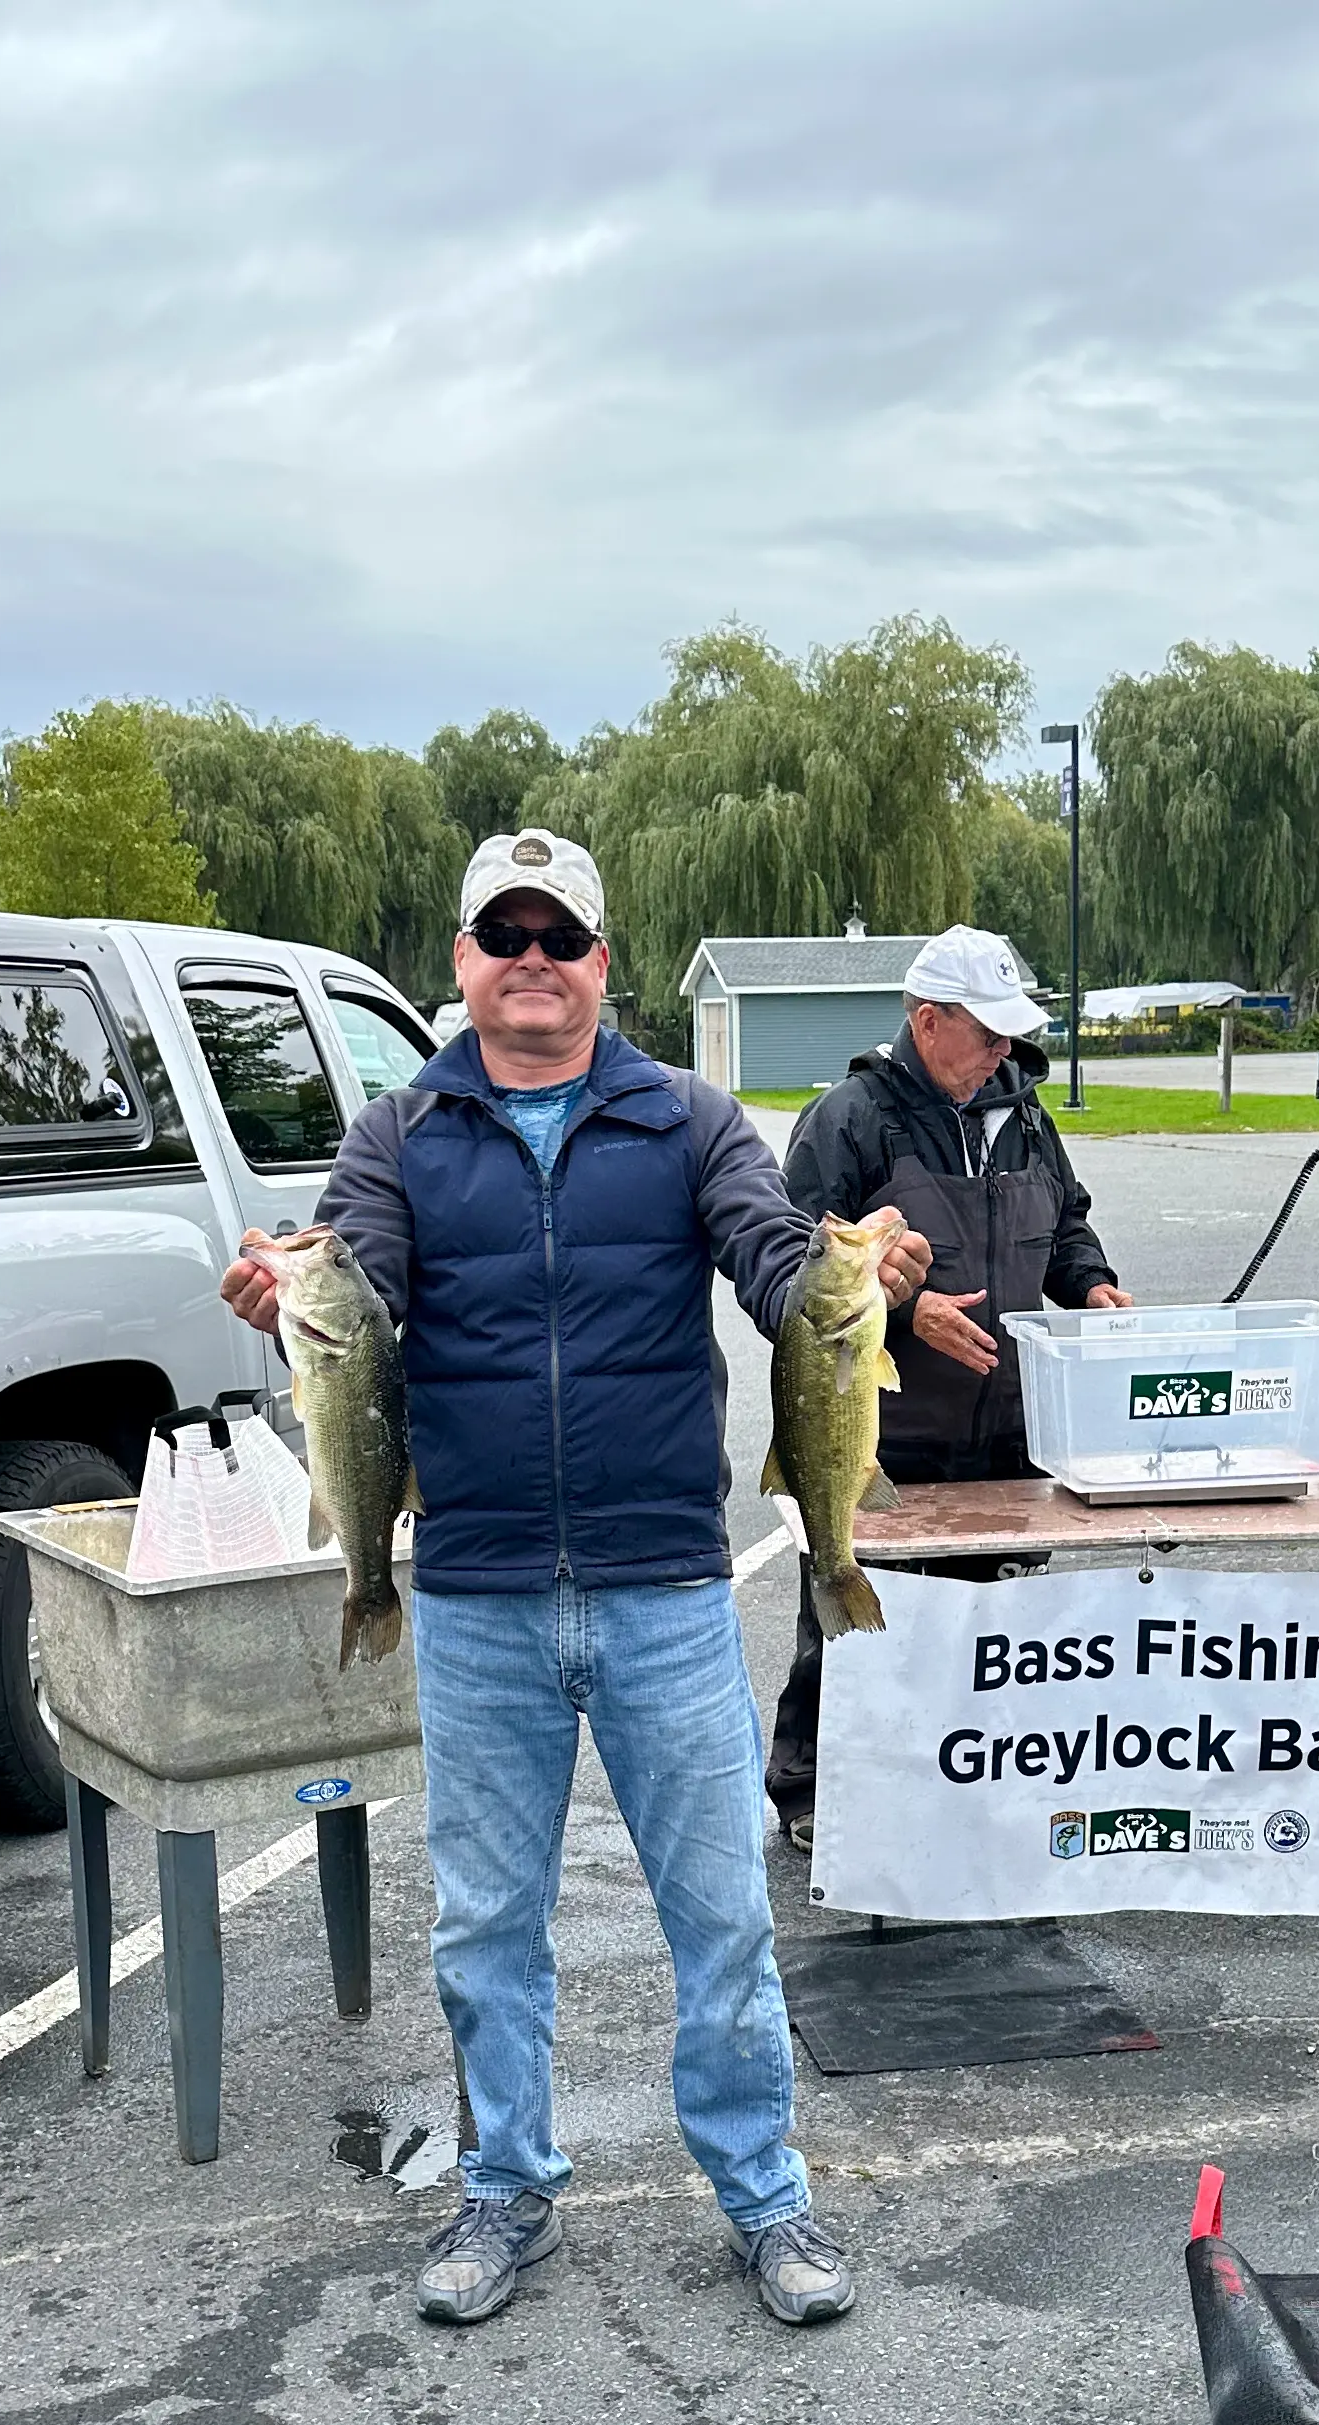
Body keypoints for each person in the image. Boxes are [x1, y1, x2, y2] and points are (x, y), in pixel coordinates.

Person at [220, 830, 931, 2327]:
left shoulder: (689, 1120)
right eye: (503, 933)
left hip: (664, 1586)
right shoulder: (398, 1134)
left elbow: (766, 1260)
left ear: (601, 963)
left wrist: (845, 1273)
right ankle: (506, 2192)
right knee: (485, 1922)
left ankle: (765, 2198)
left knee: (722, 1911)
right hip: (474, 1592)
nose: (530, 959)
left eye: (559, 936)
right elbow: (362, 1291)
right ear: (461, 962)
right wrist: (283, 1297)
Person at [765, 924, 1130, 1848]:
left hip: (1007, 1444)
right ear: (928, 1023)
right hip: (881, 1438)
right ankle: (810, 1784)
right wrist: (908, 1303)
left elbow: (1067, 1220)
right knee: (850, 1627)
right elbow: (789, 1261)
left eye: (1011, 1032)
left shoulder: (1027, 1116)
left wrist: (1090, 1283)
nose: (1005, 1050)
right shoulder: (847, 1119)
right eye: (988, 1032)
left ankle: (976, 1786)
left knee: (998, 1635)